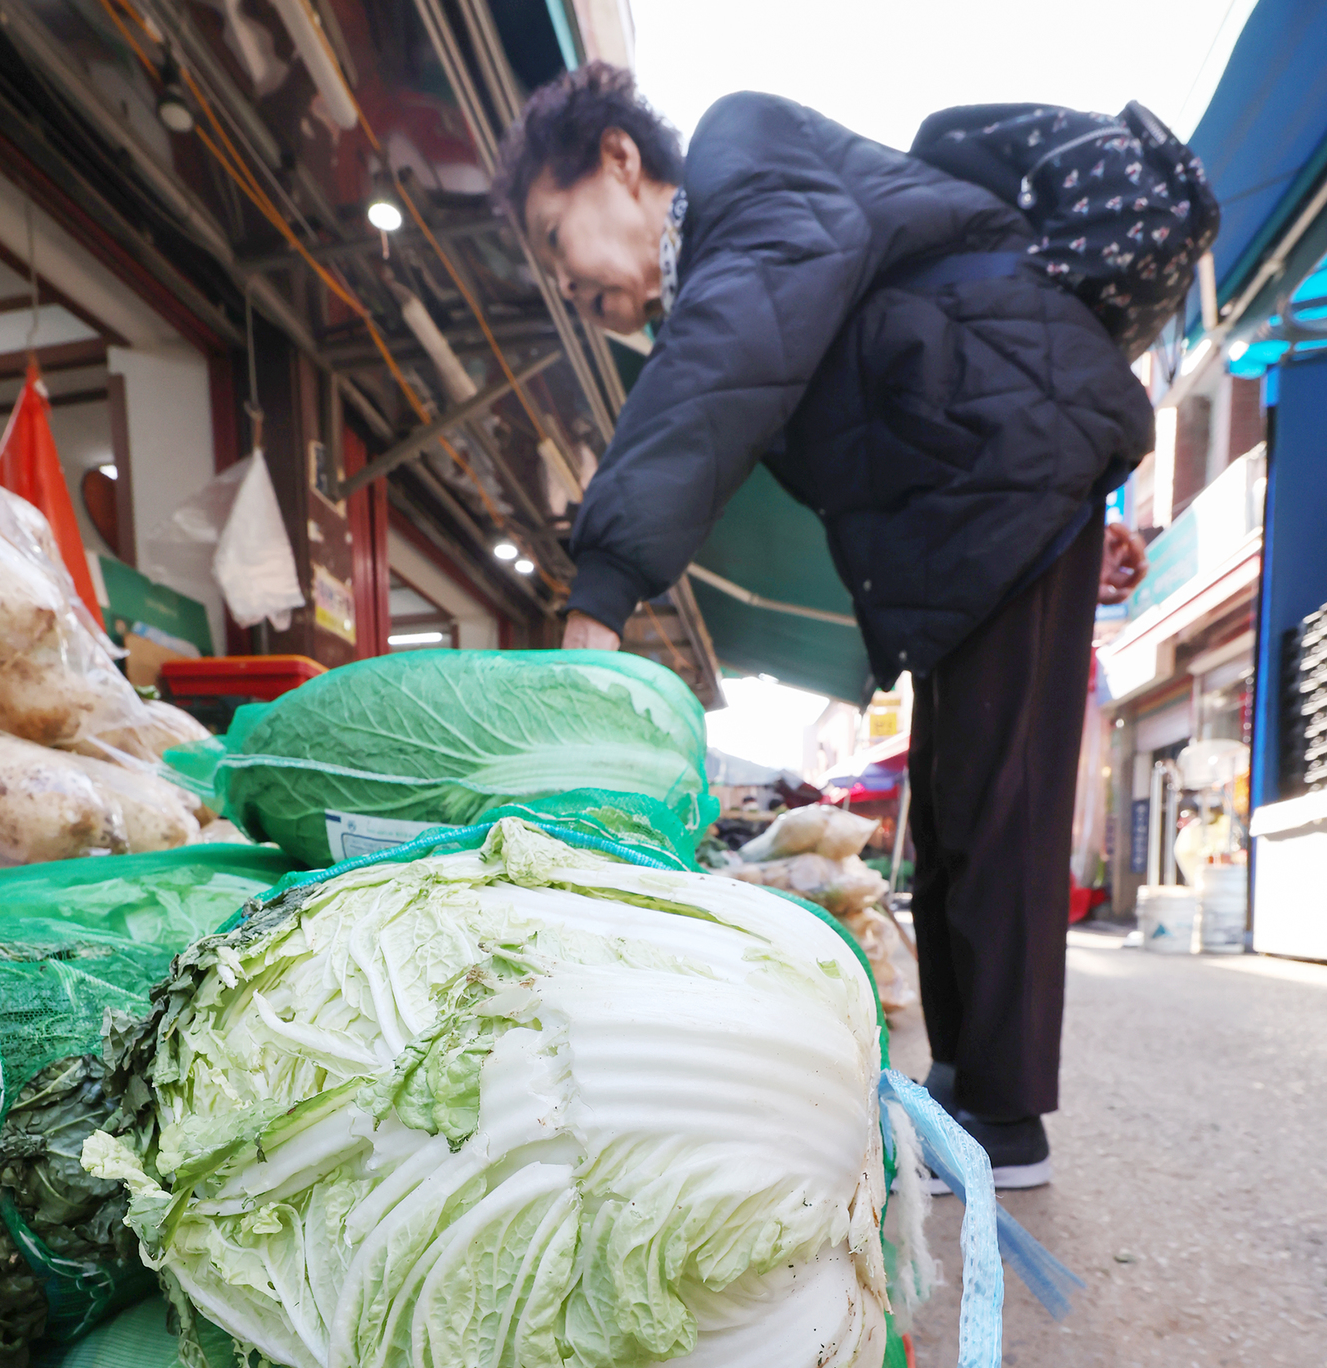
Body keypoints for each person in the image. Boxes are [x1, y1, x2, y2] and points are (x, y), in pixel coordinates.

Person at [493, 66, 1154, 1188]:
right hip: (987, 494)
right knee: (949, 806)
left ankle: (1006, 1119)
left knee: (999, 803)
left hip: (1004, 472)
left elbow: (717, 375)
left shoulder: (744, 161)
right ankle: (968, 1086)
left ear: (616, 158)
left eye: (561, 239)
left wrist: (598, 596)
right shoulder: (743, 243)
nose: (572, 283)